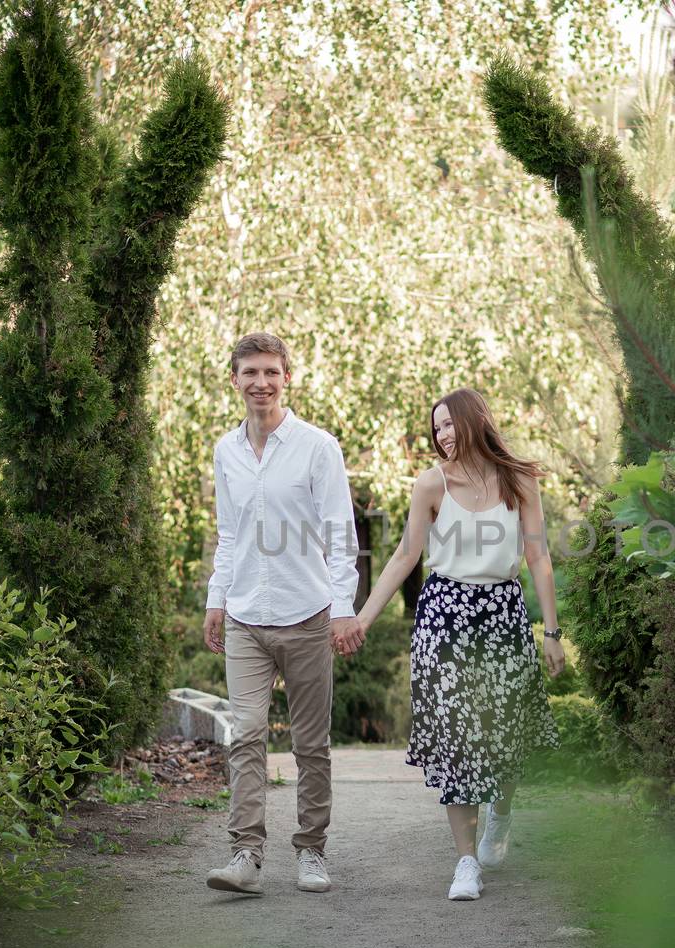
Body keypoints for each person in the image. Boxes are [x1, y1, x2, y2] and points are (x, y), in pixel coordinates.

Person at [356, 388, 564, 901]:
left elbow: (538, 560)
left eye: (449, 424)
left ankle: (502, 813)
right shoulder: (431, 484)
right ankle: (465, 862)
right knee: (456, 740)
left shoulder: (519, 481)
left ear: (474, 422)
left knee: (506, 737)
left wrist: (552, 634)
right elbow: (405, 557)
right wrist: (361, 619)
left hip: (503, 615)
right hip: (444, 618)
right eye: (437, 427)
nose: (443, 435)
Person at [203, 332, 365, 895]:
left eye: (271, 371)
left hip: (307, 614)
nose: (261, 383)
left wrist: (343, 610)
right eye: (250, 372)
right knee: (246, 734)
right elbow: (228, 534)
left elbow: (342, 537)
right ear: (235, 381)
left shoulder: (318, 447)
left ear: (286, 378)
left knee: (309, 744)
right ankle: (246, 853)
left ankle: (312, 851)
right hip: (246, 616)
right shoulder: (225, 452)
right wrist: (215, 598)